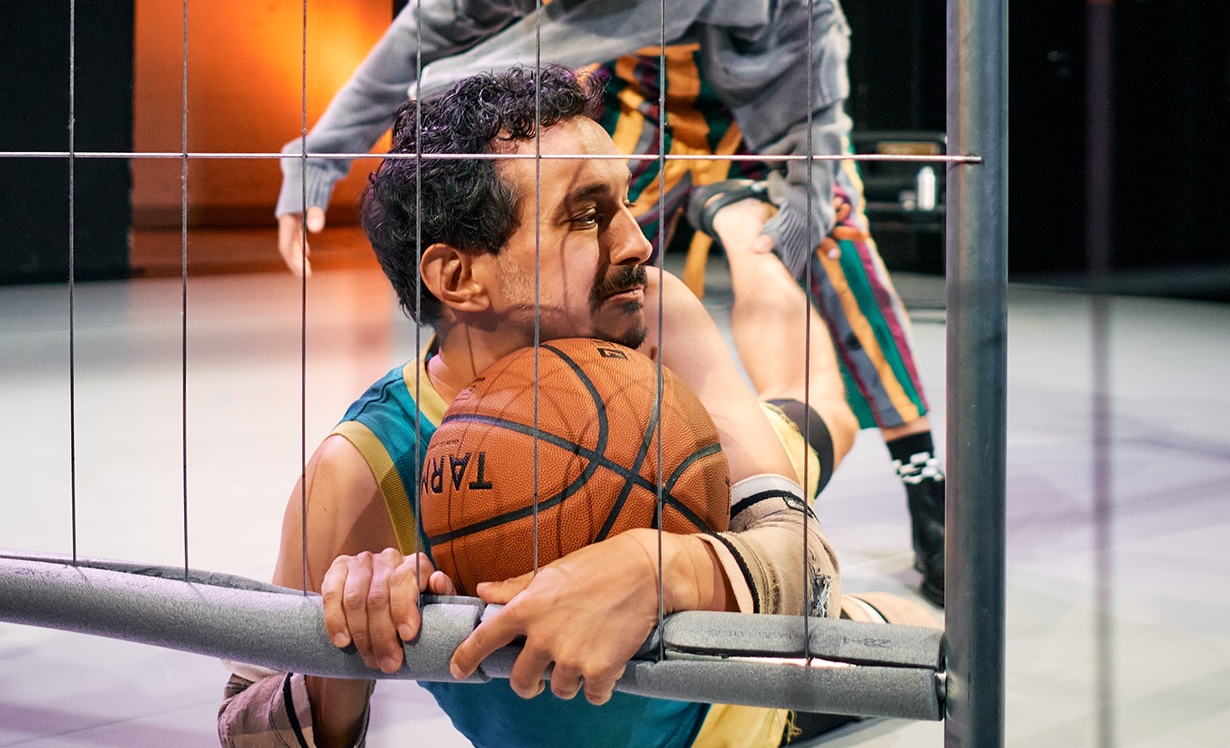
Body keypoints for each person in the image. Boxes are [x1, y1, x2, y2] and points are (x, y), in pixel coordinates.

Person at [274, 0, 945, 601]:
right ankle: (530, 448)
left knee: (836, 254)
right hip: (648, 112)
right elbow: (429, 25)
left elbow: (811, 44)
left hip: (777, 119)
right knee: (569, 264)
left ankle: (926, 484)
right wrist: (318, 156)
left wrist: (813, 185)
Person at [224, 66, 935, 748]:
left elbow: (807, 565)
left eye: (626, 201)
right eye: (587, 215)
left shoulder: (650, 314)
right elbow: (244, 724)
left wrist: (663, 570)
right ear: (457, 275)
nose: (640, 240)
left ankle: (752, 233)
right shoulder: (360, 473)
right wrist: (338, 658)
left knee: (830, 432)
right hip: (677, 486)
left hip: (746, 703)